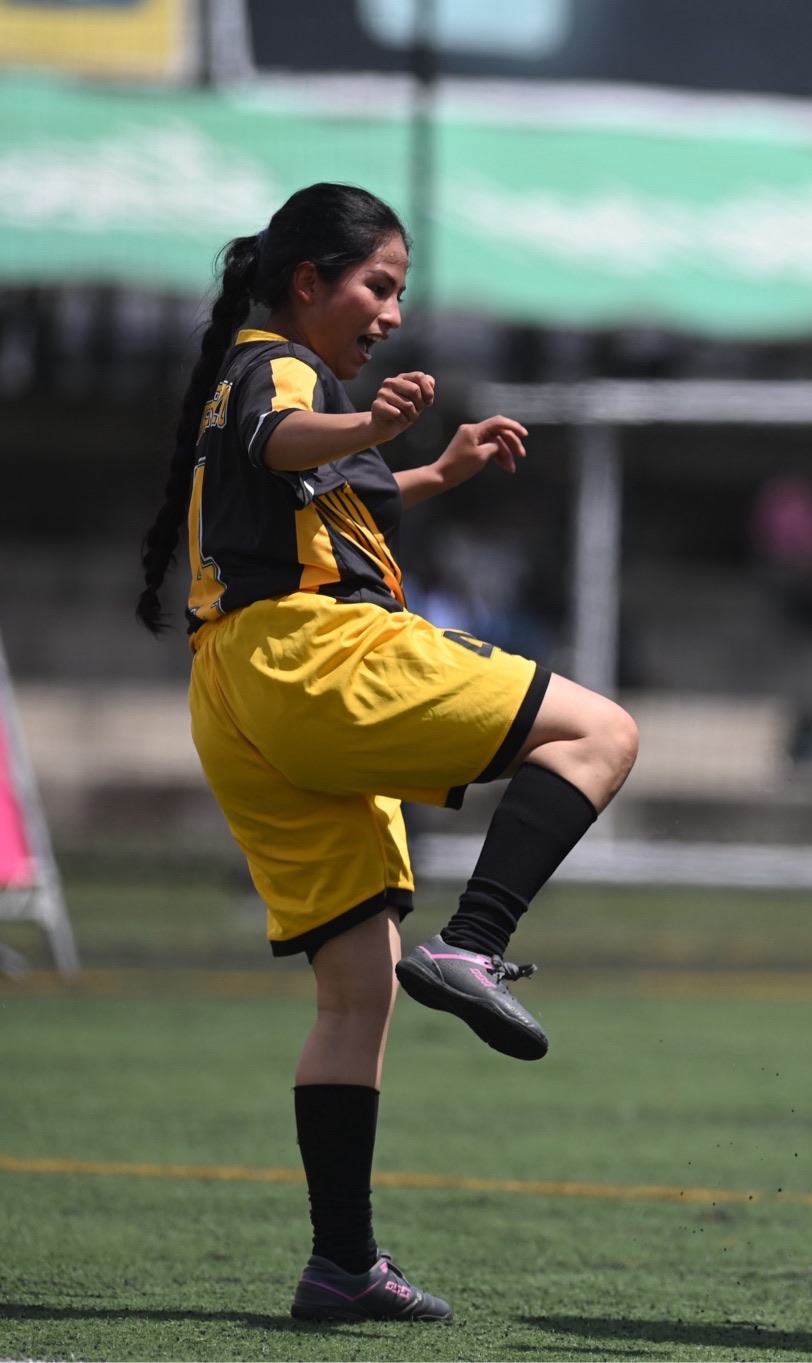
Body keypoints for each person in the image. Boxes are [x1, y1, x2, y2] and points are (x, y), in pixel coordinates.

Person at [135, 184, 637, 1322]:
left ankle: (342, 1264)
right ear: (308, 281)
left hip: (235, 691)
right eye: (378, 285)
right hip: (312, 656)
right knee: (600, 731)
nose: (393, 312)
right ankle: (476, 943)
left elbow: (300, 486)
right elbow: (283, 437)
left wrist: (434, 471)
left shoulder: (252, 373)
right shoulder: (279, 366)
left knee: (357, 987)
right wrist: (368, 425)